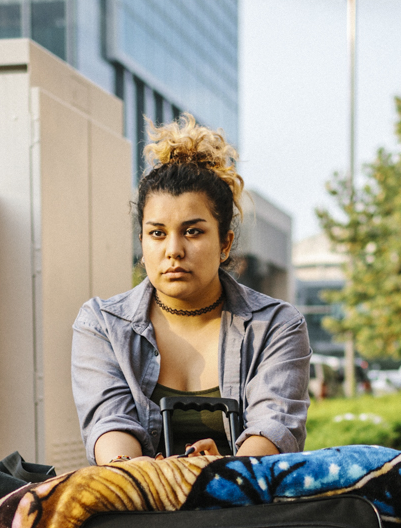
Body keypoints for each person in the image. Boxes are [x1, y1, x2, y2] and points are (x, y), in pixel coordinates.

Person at [72, 118, 310, 463]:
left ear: (225, 242)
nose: (173, 250)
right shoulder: (102, 325)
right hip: (139, 511)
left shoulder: (276, 326)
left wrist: (224, 469)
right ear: (141, 241)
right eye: (157, 233)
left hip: (248, 514)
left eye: (193, 232)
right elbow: (109, 428)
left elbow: (273, 434)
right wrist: (143, 472)